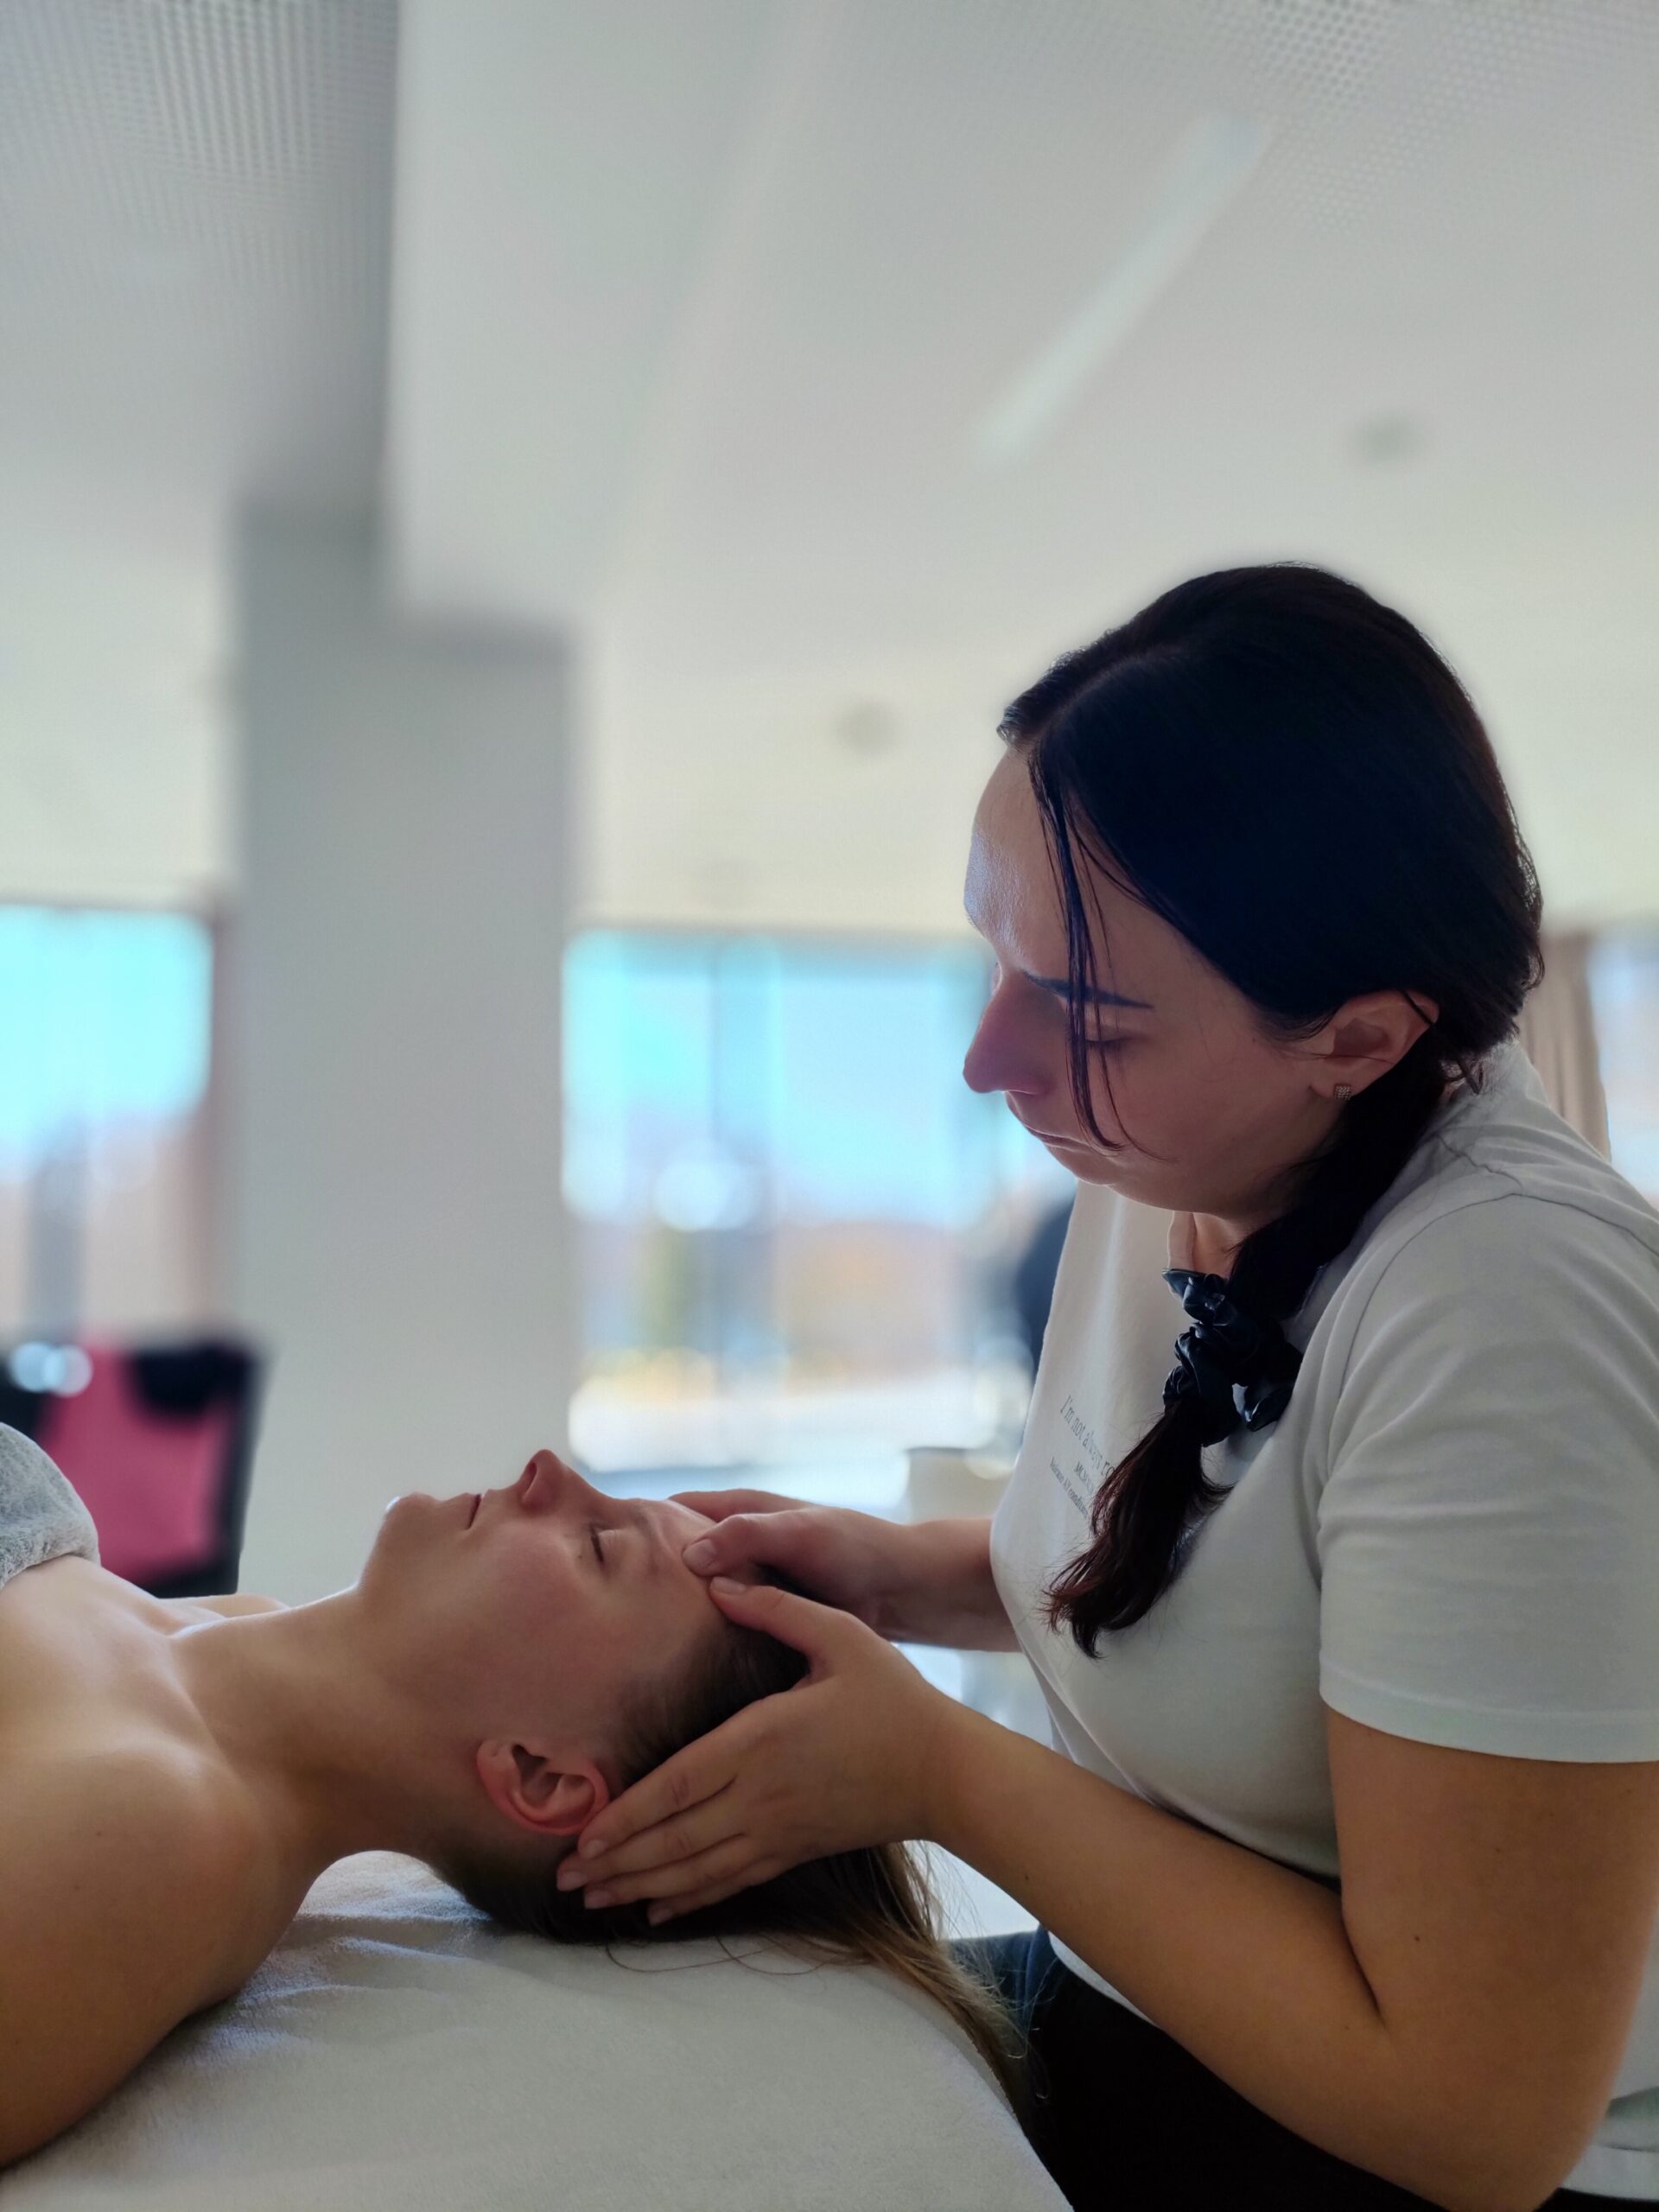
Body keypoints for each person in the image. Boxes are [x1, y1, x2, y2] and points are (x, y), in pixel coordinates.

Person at [564, 563, 1659, 2212]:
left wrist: (940, 1773)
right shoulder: (1176, 1149)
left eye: (1080, 1009)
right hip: (1145, 2034)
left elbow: (1476, 2117)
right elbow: (1246, 1587)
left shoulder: (1509, 1310)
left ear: (1357, 1041)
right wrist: (909, 1575)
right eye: (993, 955)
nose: (985, 1060)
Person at [0, 1430, 1013, 2170]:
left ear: (540, 1776)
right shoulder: (213, 1642)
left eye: (600, 1545)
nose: (547, 1468)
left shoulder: (162, 1835)